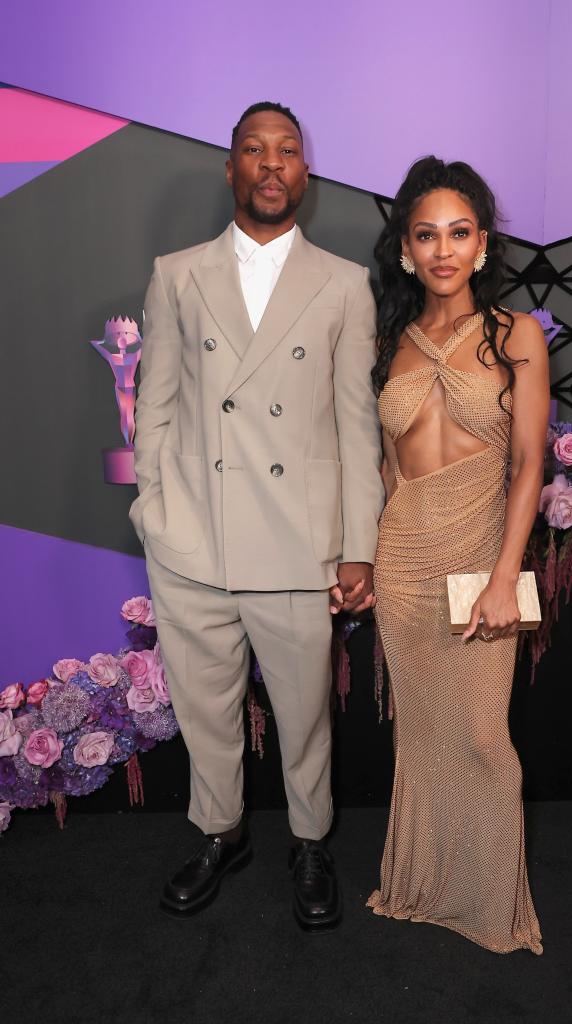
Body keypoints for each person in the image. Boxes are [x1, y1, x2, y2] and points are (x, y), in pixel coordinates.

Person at [130, 101, 383, 927]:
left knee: (306, 715)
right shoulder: (177, 273)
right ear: (230, 167)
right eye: (254, 150)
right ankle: (220, 831)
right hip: (195, 540)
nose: (271, 165)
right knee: (206, 710)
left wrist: (358, 548)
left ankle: (310, 841)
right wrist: (156, 512)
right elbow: (155, 407)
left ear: (304, 174)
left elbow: (356, 425)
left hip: (297, 546)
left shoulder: (345, 285)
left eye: (287, 152)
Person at [366, 157, 547, 954]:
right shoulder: (391, 343)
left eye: (460, 232)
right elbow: (386, 464)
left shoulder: (516, 335)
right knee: (424, 734)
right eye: (426, 234)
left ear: (482, 246)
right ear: (406, 249)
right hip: (403, 558)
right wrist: (362, 565)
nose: (443, 249)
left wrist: (506, 576)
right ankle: (423, 886)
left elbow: (530, 463)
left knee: (483, 740)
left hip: (480, 561)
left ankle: (491, 905)